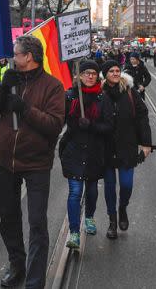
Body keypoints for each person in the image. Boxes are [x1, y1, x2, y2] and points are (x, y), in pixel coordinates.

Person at [0, 35, 64, 289]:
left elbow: (54, 125)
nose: (12, 57)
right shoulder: (11, 80)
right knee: (8, 217)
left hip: (37, 163)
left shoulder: (52, 86)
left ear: (29, 56)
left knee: (37, 223)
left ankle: (35, 281)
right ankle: (17, 263)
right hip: (7, 160)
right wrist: (2, 88)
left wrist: (25, 109)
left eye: (16, 53)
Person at [60, 60, 113, 249]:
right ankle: (74, 232)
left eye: (93, 73)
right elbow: (59, 119)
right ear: (79, 75)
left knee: (91, 190)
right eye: (86, 73)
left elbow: (109, 126)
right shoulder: (70, 96)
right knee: (75, 192)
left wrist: (91, 125)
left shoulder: (102, 98)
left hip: (94, 152)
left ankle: (89, 217)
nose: (90, 76)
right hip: (74, 151)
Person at [99, 60, 152, 240]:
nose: (115, 73)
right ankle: (112, 221)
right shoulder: (99, 93)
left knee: (127, 184)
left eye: (117, 70)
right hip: (106, 147)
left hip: (126, 146)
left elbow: (142, 117)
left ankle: (123, 207)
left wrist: (146, 144)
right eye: (111, 71)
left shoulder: (130, 92)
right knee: (109, 186)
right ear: (105, 74)